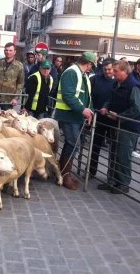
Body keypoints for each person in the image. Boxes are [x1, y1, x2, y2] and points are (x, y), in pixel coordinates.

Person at [99, 60, 140, 194]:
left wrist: (120, 116)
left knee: (123, 155)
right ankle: (112, 180)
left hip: (127, 127)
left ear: (124, 71)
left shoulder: (133, 86)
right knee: (114, 154)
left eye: (116, 71)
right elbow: (110, 99)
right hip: (115, 124)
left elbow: (137, 108)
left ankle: (123, 183)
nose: (113, 73)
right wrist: (106, 106)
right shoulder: (117, 83)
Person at [55, 52, 95, 190]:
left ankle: (62, 173)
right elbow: (68, 95)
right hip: (68, 115)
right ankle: (65, 176)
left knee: (71, 144)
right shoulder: (72, 72)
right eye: (91, 65)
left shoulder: (82, 74)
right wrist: (83, 110)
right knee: (73, 144)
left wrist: (88, 111)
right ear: (88, 63)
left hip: (74, 116)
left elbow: (86, 96)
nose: (91, 67)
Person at [89, 58, 116, 177]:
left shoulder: (119, 81)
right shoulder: (94, 79)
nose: (107, 72)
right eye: (105, 69)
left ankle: (111, 175)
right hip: (97, 118)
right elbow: (89, 97)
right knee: (95, 146)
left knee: (114, 149)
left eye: (109, 69)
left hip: (112, 119)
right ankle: (91, 170)